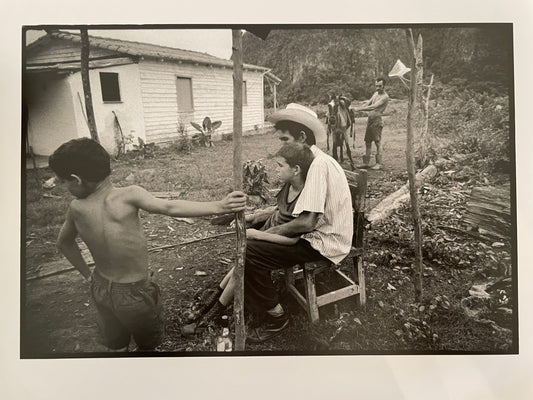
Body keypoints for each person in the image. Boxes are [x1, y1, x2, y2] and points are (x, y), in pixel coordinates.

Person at [48, 138, 246, 352]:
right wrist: (219, 205)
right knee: (147, 345)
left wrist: (88, 275)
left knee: (116, 343)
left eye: (62, 182)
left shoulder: (76, 207)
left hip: (100, 287)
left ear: (76, 180)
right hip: (134, 293)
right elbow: (169, 207)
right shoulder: (129, 195)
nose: (64, 187)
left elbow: (64, 244)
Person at [187, 104, 353, 343]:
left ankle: (277, 318)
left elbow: (305, 223)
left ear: (302, 137)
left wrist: (267, 233)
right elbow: (292, 208)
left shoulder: (317, 166)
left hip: (324, 241)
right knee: (256, 240)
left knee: (252, 251)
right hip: (313, 233)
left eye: (285, 139)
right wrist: (262, 222)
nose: (281, 146)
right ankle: (219, 298)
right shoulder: (309, 161)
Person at [182, 142, 314, 330]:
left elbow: (293, 238)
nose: (276, 171)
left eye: (280, 166)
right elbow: (277, 210)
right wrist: (252, 219)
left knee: (247, 254)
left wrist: (258, 235)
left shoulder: (306, 197)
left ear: (296, 169)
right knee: (243, 255)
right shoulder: (288, 186)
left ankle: (224, 310)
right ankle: (212, 303)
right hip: (270, 234)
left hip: (285, 242)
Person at [350, 77, 390, 170]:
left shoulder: (385, 97)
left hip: (377, 121)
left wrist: (358, 109)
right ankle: (366, 163)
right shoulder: (376, 93)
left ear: (384, 86)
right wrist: (357, 107)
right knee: (367, 142)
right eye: (376, 86)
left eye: (380, 86)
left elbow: (373, 107)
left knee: (377, 142)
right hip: (370, 120)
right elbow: (369, 103)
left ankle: (379, 163)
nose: (377, 88)